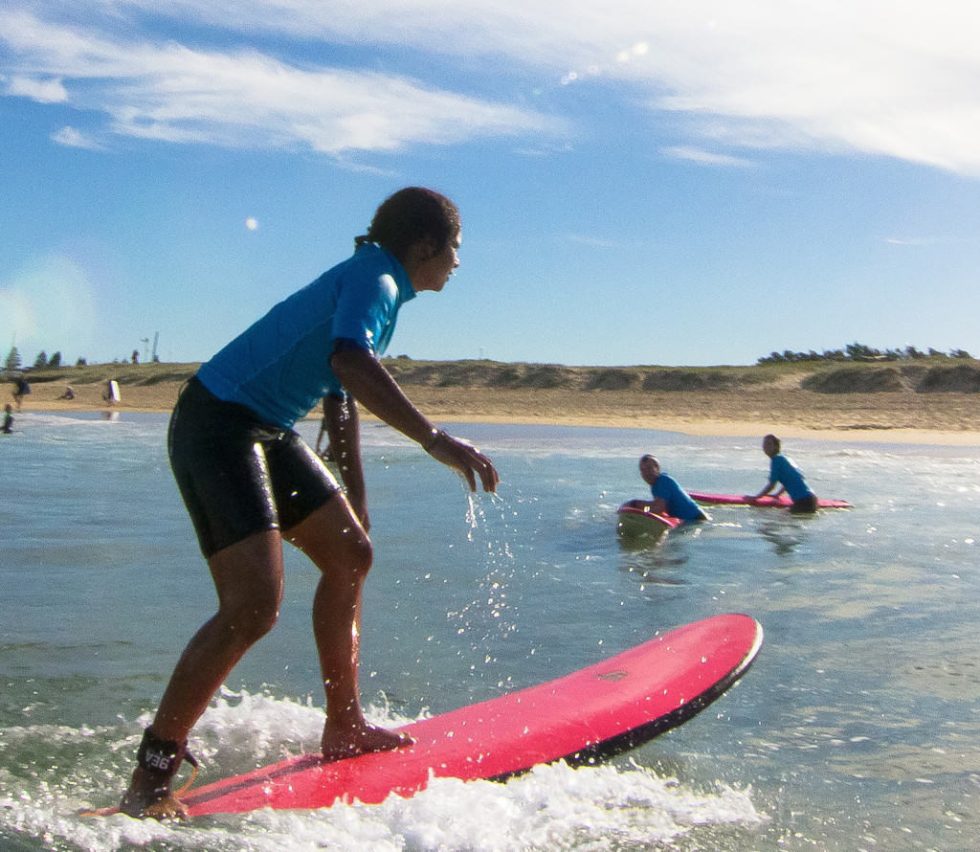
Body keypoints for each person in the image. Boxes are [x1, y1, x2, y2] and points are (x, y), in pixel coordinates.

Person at [119, 187, 499, 820]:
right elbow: (349, 361)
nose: (458, 262)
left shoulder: (377, 280)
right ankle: (153, 771)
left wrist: (355, 493)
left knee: (350, 553)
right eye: (455, 248)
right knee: (253, 607)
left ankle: (344, 725)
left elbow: (337, 385)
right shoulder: (377, 279)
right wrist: (433, 438)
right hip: (218, 425)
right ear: (425, 246)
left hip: (264, 427)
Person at [746, 434, 818, 513]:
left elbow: (772, 485)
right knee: (783, 518)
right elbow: (791, 479)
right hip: (812, 499)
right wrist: (777, 494)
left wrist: (756, 497)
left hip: (803, 502)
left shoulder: (776, 460)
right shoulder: (784, 458)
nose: (765, 446)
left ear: (776, 447)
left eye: (769, 444)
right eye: (764, 444)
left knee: (777, 520)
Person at [630, 454, 708, 521]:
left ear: (657, 469)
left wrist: (637, 506)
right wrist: (641, 507)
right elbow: (658, 506)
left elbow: (658, 508)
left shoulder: (663, 481)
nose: (646, 473)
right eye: (643, 470)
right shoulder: (655, 486)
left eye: (649, 468)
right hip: (689, 520)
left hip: (697, 520)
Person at [314, 396, 335, 462]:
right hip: (332, 447)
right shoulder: (325, 418)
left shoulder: (335, 419)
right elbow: (321, 434)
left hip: (338, 446)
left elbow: (335, 439)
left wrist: (325, 452)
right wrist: (317, 448)